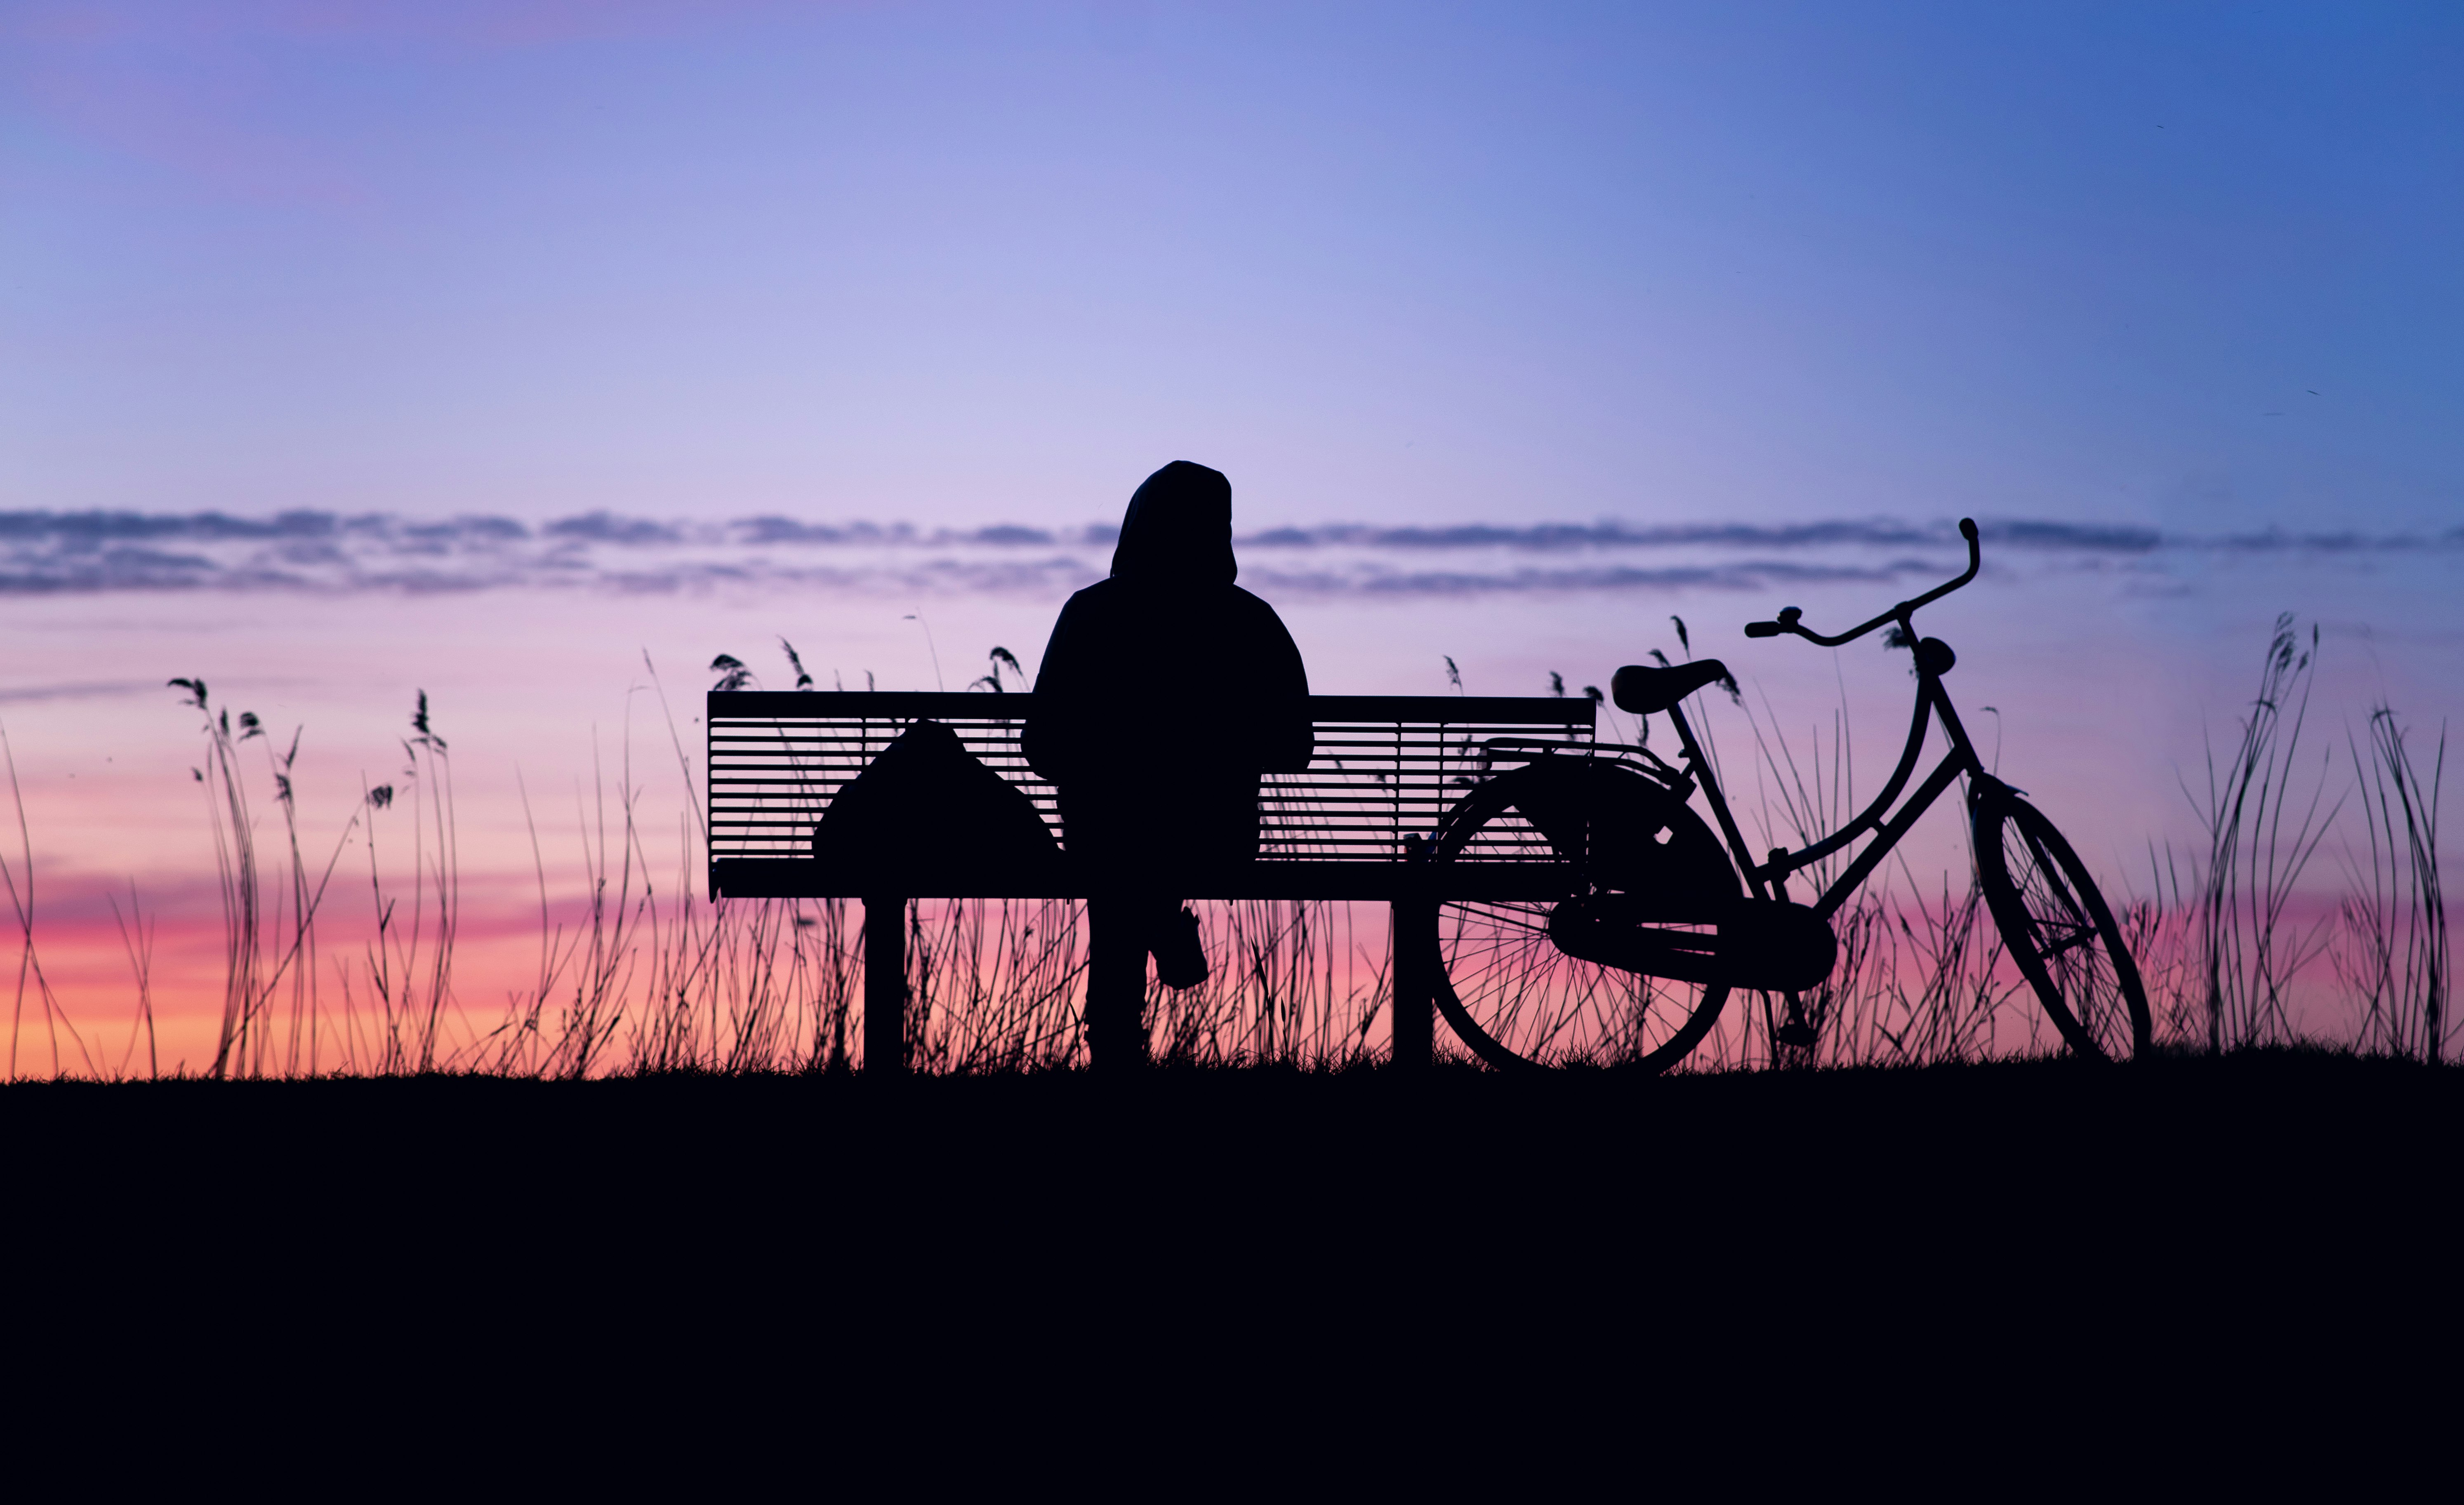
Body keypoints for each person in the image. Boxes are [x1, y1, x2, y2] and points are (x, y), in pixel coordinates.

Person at [1024, 461, 1313, 1069]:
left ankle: (1114, 1051)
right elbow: (1295, 745)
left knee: (1117, 869)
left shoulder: (1090, 611)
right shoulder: (1250, 619)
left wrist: (1112, 752)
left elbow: (1041, 747)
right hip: (1217, 837)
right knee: (1132, 864)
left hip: (1104, 835)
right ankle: (1161, 921)